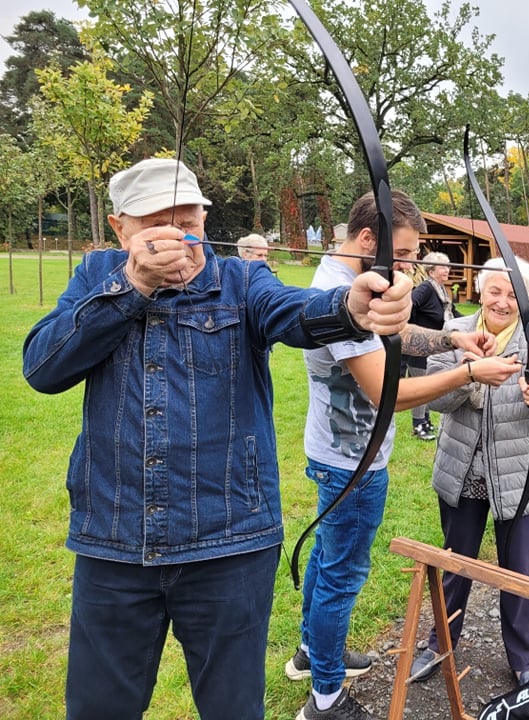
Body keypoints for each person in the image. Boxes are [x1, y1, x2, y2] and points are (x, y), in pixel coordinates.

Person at [21, 157, 413, 720]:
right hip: (114, 540)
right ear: (120, 228)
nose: (181, 240)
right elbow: (43, 367)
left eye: (193, 223)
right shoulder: (96, 277)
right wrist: (131, 287)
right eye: (159, 225)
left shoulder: (242, 279)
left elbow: (297, 312)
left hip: (229, 545)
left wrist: (352, 307)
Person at [294, 191, 522, 720]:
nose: (403, 269)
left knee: (331, 559)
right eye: (399, 254)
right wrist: (469, 372)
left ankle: (313, 654)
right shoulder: (336, 292)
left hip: (341, 453)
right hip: (350, 462)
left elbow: (394, 330)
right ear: (368, 239)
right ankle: (325, 698)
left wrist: (451, 341)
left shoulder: (355, 285)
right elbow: (385, 393)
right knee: (342, 574)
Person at [408, 257, 529, 686]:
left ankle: (523, 658)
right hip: (462, 473)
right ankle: (438, 643)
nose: (503, 302)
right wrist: (468, 374)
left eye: (513, 294)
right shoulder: (455, 333)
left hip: (518, 477)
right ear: (480, 290)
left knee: (518, 574)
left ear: (526, 298)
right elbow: (435, 400)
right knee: (454, 566)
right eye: (495, 291)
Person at [402, 251, 461, 441]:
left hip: (434, 347)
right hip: (419, 348)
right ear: (431, 270)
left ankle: (425, 420)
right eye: (443, 266)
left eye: (448, 266)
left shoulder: (442, 291)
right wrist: (411, 325)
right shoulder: (427, 288)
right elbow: (410, 302)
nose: (447, 270)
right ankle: (418, 425)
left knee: (427, 384)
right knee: (421, 386)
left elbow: (452, 313)